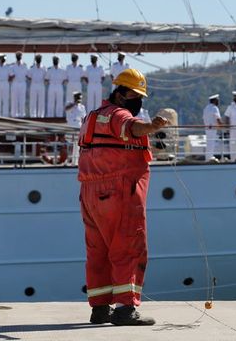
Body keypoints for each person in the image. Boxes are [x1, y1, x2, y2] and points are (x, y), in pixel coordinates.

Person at [78, 68, 167, 326]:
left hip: (90, 194)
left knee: (98, 252)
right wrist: (152, 126)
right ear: (119, 94)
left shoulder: (91, 117)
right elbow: (132, 127)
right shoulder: (118, 114)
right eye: (133, 94)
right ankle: (126, 310)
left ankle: (100, 309)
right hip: (119, 190)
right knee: (128, 247)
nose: (137, 100)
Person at [66, 91, 87, 164]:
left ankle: (75, 161)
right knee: (69, 144)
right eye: (77, 98)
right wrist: (74, 103)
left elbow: (84, 118)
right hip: (70, 126)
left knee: (77, 145)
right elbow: (66, 109)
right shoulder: (69, 104)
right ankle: (67, 160)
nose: (79, 100)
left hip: (78, 126)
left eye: (80, 98)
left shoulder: (82, 107)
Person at [202, 94, 222, 162]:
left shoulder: (206, 108)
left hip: (207, 128)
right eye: (217, 100)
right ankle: (210, 157)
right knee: (212, 142)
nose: (218, 102)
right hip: (212, 128)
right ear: (214, 100)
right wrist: (222, 126)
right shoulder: (214, 108)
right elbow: (218, 119)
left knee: (209, 142)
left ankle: (208, 157)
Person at [9, 51, 28, 117]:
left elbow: (27, 75)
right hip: (15, 83)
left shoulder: (25, 65)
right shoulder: (12, 65)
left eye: (20, 55)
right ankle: (14, 115)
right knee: (14, 99)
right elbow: (11, 75)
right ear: (16, 56)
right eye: (18, 55)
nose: (19, 57)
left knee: (22, 99)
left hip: (22, 83)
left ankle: (22, 115)